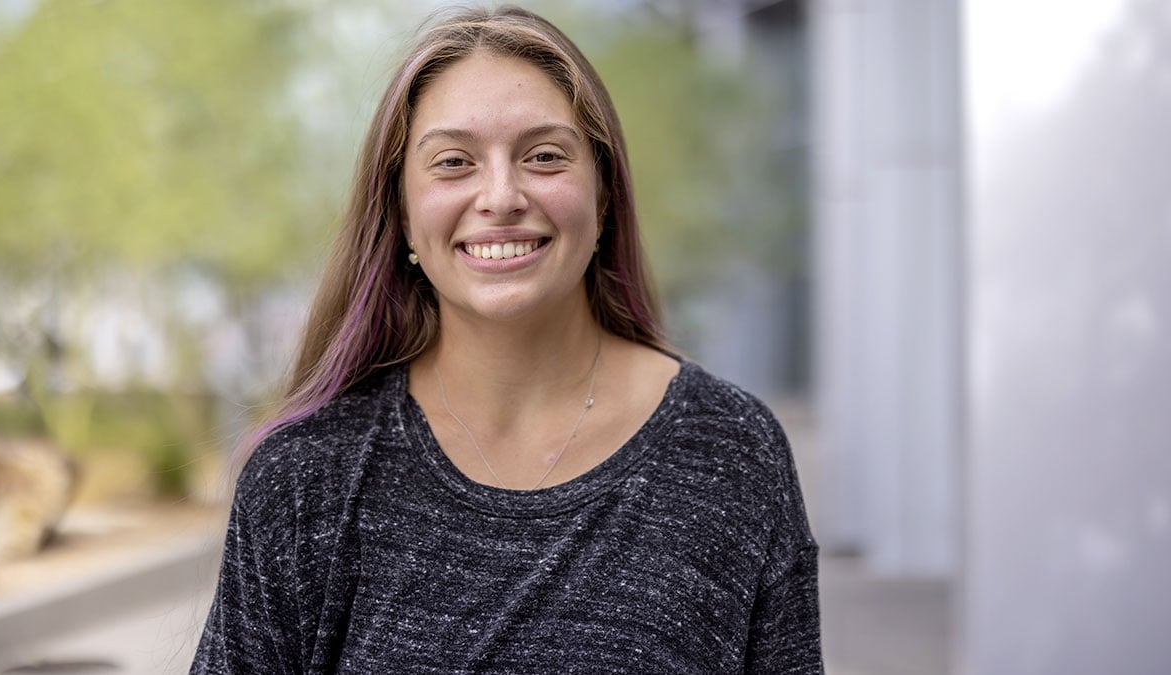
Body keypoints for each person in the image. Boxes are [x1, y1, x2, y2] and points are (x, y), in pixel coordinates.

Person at [191, 5, 821, 673]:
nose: (501, 195)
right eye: (454, 162)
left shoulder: (731, 450)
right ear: (402, 213)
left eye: (544, 156)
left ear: (603, 196)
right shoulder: (306, 477)